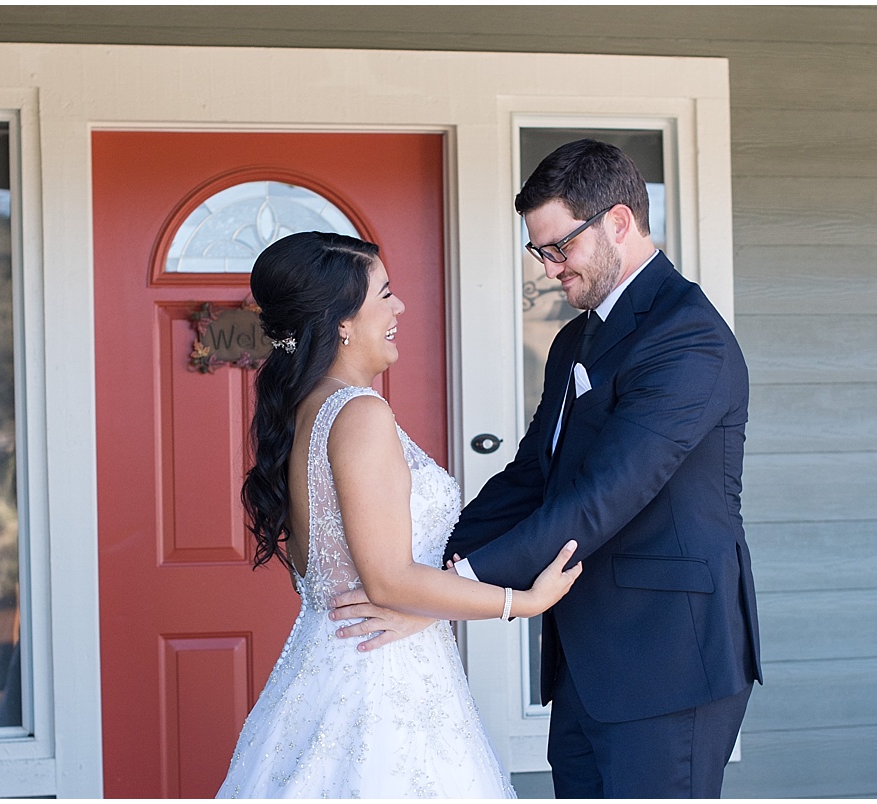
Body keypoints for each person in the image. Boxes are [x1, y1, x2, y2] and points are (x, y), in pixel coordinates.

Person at [335, 139, 762, 798]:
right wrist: (428, 574)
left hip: (668, 656)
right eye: (540, 252)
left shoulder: (687, 337)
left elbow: (603, 497)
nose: (548, 269)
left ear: (618, 222)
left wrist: (448, 593)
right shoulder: (574, 338)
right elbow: (532, 476)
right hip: (586, 656)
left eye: (559, 248)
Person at [216, 231, 583, 799]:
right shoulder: (359, 414)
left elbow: (328, 573)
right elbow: (387, 580)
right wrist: (523, 603)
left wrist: (423, 610)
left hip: (339, 661)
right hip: (378, 676)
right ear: (342, 322)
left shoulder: (306, 409)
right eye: (385, 294)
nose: (400, 307)